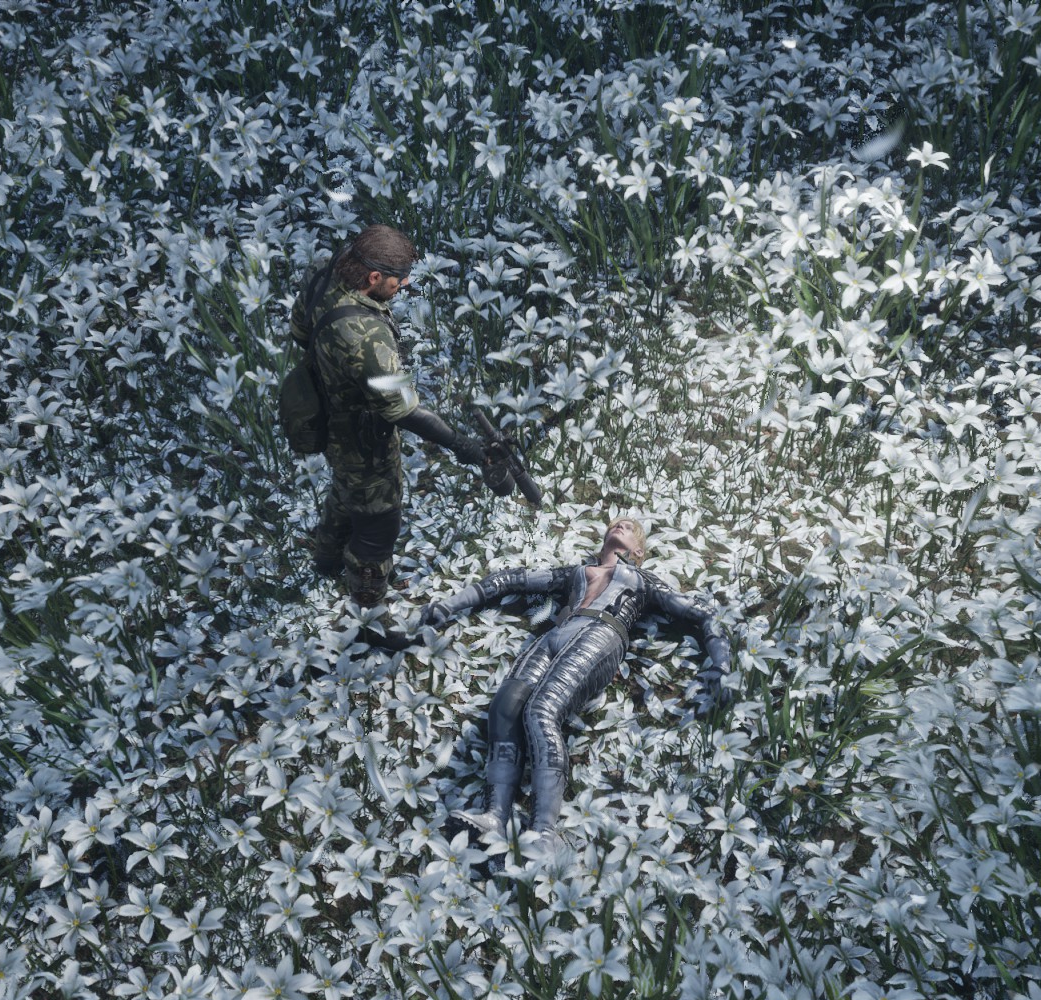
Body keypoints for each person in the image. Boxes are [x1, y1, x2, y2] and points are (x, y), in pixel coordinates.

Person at [420, 518, 733, 844]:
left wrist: (721, 666)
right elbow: (512, 580)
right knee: (504, 710)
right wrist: (449, 604)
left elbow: (703, 614)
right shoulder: (576, 573)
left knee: (541, 712)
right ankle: (494, 815)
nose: (621, 524)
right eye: (616, 523)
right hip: (555, 635)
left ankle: (544, 831)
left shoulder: (642, 580)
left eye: (629, 527)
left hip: (602, 632)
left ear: (639, 551)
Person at [293, 224, 493, 606]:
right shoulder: (368, 338)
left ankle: (326, 559)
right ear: (373, 277)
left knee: (346, 487)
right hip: (363, 440)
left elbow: (300, 331)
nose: (404, 285)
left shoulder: (322, 270)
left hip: (324, 414)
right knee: (378, 524)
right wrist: (460, 444)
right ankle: (367, 601)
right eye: (398, 280)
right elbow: (404, 410)